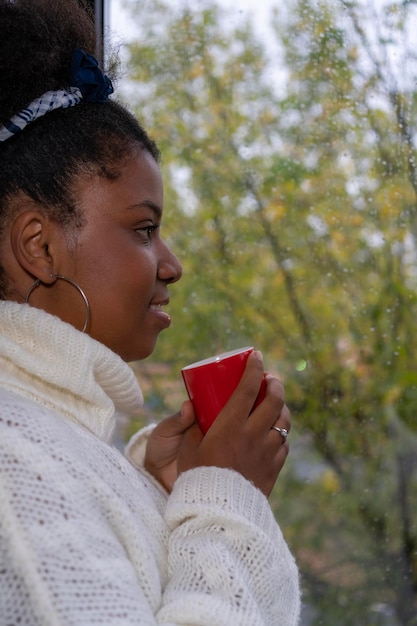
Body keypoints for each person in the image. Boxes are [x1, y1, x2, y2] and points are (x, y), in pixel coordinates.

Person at [0, 1, 301, 624]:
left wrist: (157, 490)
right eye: (144, 229)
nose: (172, 265)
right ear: (40, 246)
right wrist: (225, 500)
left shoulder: (50, 438)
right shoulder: (14, 467)